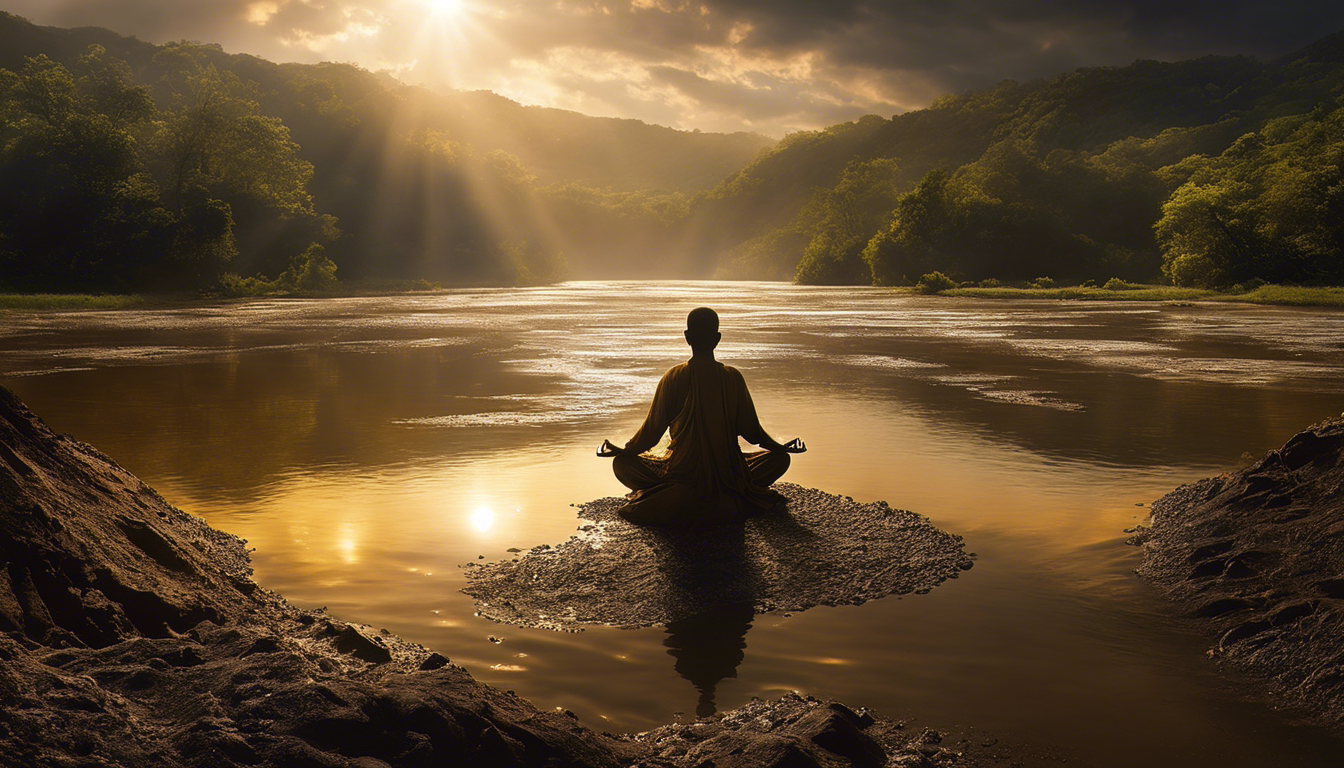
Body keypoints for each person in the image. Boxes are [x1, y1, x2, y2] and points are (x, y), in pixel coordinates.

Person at [597, 307, 806, 525]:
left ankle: (677, 494)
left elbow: (651, 434)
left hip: (682, 476)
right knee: (780, 460)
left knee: (622, 464)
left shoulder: (673, 377)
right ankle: (715, 494)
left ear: (687, 337)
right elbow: (753, 433)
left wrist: (624, 451)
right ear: (717, 339)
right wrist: (780, 447)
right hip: (730, 475)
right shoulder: (732, 377)